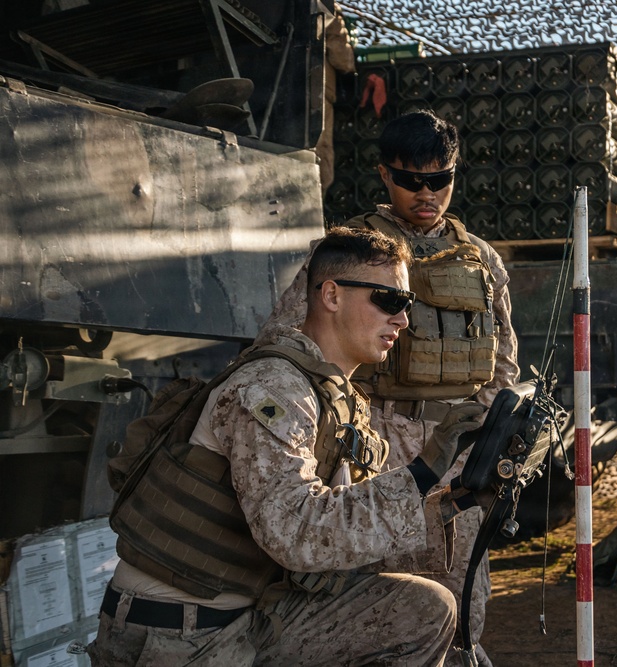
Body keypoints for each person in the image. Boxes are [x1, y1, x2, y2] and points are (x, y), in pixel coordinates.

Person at [90, 227, 489, 666]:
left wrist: (455, 501)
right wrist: (423, 471)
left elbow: (347, 531)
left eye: (406, 304)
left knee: (423, 611)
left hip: (245, 616)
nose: (402, 320)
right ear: (332, 296)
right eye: (388, 300)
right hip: (177, 635)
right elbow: (295, 532)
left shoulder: (334, 396)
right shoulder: (274, 389)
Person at [261, 109, 519, 666]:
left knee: (461, 591)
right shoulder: (353, 252)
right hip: (372, 441)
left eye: (440, 179)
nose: (426, 194)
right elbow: (288, 340)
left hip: (458, 449)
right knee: (376, 589)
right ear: (385, 175)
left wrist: (492, 440)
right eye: (411, 180)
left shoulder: (481, 260)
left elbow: (502, 365)